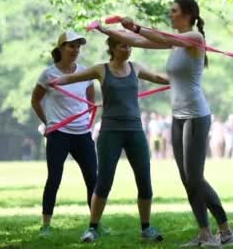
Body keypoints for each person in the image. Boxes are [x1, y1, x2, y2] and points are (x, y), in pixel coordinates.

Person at [99, 0, 233, 247]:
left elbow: (159, 36)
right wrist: (104, 28)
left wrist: (135, 25)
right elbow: (136, 41)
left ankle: (225, 230)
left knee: (195, 177)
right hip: (178, 116)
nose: (170, 14)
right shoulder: (173, 44)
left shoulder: (194, 38)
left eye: (174, 11)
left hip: (196, 115)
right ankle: (205, 234)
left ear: (187, 14)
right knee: (186, 178)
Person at [51, 35, 168, 243]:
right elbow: (73, 78)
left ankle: (146, 228)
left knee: (145, 180)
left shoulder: (136, 67)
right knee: (104, 181)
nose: (129, 49)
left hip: (135, 131)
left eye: (130, 46)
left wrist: (183, 81)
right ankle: (92, 228)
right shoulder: (101, 69)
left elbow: (159, 78)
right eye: (124, 45)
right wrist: (57, 81)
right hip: (110, 133)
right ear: (113, 48)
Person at [30, 30, 98, 238]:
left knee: (93, 180)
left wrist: (88, 124)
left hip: (82, 134)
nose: (75, 50)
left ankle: (94, 225)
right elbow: (35, 100)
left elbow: (91, 103)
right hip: (59, 133)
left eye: (78, 46)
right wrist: (48, 124)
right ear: (61, 48)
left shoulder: (85, 73)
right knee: (54, 178)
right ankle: (46, 225)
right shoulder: (48, 74)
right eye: (71, 46)